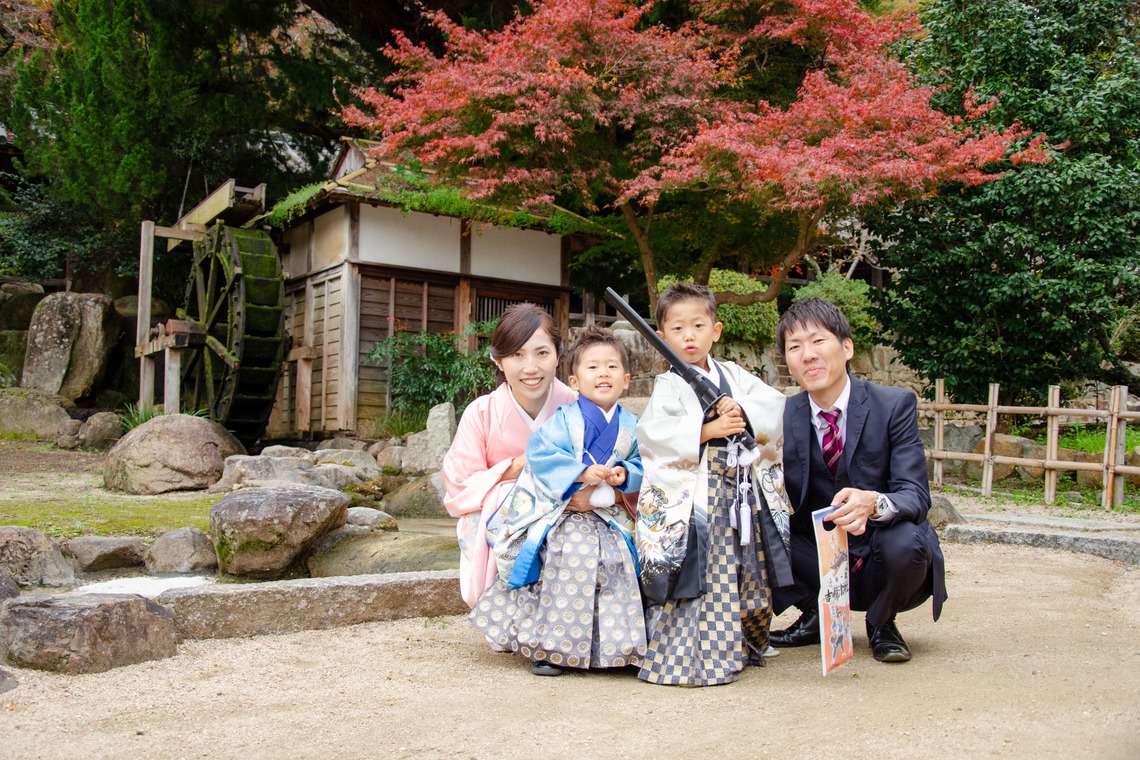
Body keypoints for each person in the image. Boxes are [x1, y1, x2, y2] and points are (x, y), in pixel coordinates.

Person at [770, 297, 946, 663]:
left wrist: (874, 503)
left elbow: (915, 494)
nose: (807, 355)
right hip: (818, 553)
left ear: (846, 347)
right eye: (795, 347)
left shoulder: (893, 405)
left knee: (910, 542)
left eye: (818, 341)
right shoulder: (780, 417)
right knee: (757, 528)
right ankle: (816, 614)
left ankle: (882, 621)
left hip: (881, 548)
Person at [635, 282, 793, 687]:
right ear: (663, 336)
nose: (689, 336)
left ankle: (747, 643)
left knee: (749, 565)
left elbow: (773, 405)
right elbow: (652, 436)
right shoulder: (668, 384)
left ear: (716, 330)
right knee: (713, 572)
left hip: (742, 489)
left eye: (698, 326)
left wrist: (740, 409)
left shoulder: (733, 375)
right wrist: (706, 430)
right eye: (677, 329)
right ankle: (705, 657)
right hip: (700, 498)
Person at [471, 324, 647, 676]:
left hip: (610, 514)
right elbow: (540, 455)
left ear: (626, 379)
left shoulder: (632, 425)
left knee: (622, 561)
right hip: (567, 512)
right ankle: (551, 648)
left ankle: (617, 649)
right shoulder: (563, 421)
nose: (603, 374)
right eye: (592, 367)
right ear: (575, 382)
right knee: (572, 553)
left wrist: (625, 475)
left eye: (612, 367)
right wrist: (580, 474)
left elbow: (644, 464)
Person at [442, 303, 578, 609]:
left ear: (558, 355)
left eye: (542, 353)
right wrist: (518, 469)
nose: (530, 367)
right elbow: (460, 486)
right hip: (500, 523)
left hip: (567, 513)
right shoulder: (482, 412)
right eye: (517, 354)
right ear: (498, 360)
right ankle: (497, 609)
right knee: (479, 516)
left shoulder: (577, 406)